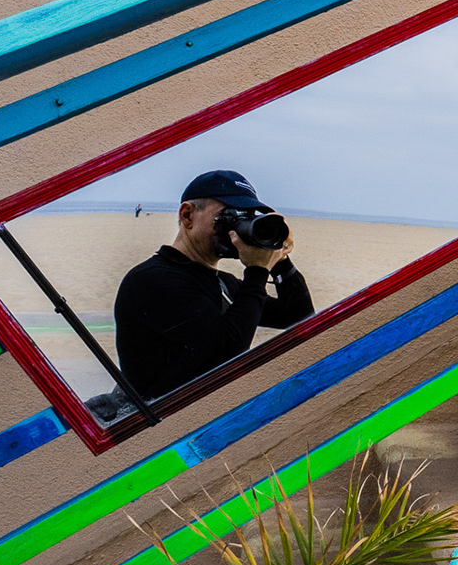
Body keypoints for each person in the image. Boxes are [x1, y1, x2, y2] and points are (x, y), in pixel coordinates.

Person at [112, 170, 314, 401]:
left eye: (247, 219)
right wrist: (257, 271)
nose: (236, 230)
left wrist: (279, 261)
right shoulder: (151, 280)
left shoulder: (220, 282)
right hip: (164, 430)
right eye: (229, 217)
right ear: (187, 215)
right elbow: (223, 358)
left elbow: (299, 316)